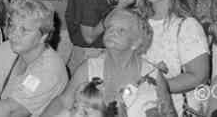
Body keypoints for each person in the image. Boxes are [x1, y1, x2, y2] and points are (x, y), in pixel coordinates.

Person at [45, 8, 176, 117]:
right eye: (110, 27)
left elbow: (169, 113)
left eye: (121, 30)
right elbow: (63, 102)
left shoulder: (153, 76)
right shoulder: (89, 68)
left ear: (136, 42)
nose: (112, 32)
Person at [137, 0, 210, 116]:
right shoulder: (137, 22)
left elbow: (198, 76)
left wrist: (153, 86)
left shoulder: (186, 25)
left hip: (176, 108)